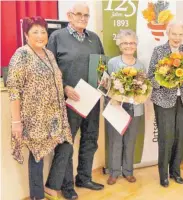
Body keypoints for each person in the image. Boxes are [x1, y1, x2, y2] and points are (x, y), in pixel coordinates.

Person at [7, 16, 73, 200]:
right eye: (35, 31)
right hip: (34, 117)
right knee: (37, 155)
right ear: (26, 35)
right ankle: (37, 196)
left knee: (66, 145)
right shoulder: (22, 55)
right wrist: (16, 122)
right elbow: (14, 91)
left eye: (43, 31)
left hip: (55, 115)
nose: (40, 35)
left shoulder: (49, 54)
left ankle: (51, 186)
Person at [47, 3, 105, 199]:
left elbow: (101, 67)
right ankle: (67, 186)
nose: (83, 18)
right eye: (79, 14)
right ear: (69, 15)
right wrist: (64, 87)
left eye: (86, 15)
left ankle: (84, 177)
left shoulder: (94, 38)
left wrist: (103, 82)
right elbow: (49, 69)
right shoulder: (57, 37)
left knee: (90, 138)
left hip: (92, 99)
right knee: (66, 143)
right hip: (69, 101)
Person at [147, 21, 183, 187]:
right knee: (166, 137)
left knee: (180, 137)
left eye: (179, 35)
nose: (177, 38)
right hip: (163, 101)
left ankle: (176, 171)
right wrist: (166, 80)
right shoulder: (159, 51)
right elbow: (151, 78)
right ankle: (163, 175)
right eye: (174, 34)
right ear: (168, 34)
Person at [105, 29, 145, 185]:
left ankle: (128, 171)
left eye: (132, 43)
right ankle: (114, 172)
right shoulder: (113, 63)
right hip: (117, 107)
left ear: (136, 45)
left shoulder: (141, 65)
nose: (129, 46)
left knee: (130, 140)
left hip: (135, 108)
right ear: (120, 45)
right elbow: (108, 86)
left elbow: (144, 87)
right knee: (116, 140)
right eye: (125, 43)